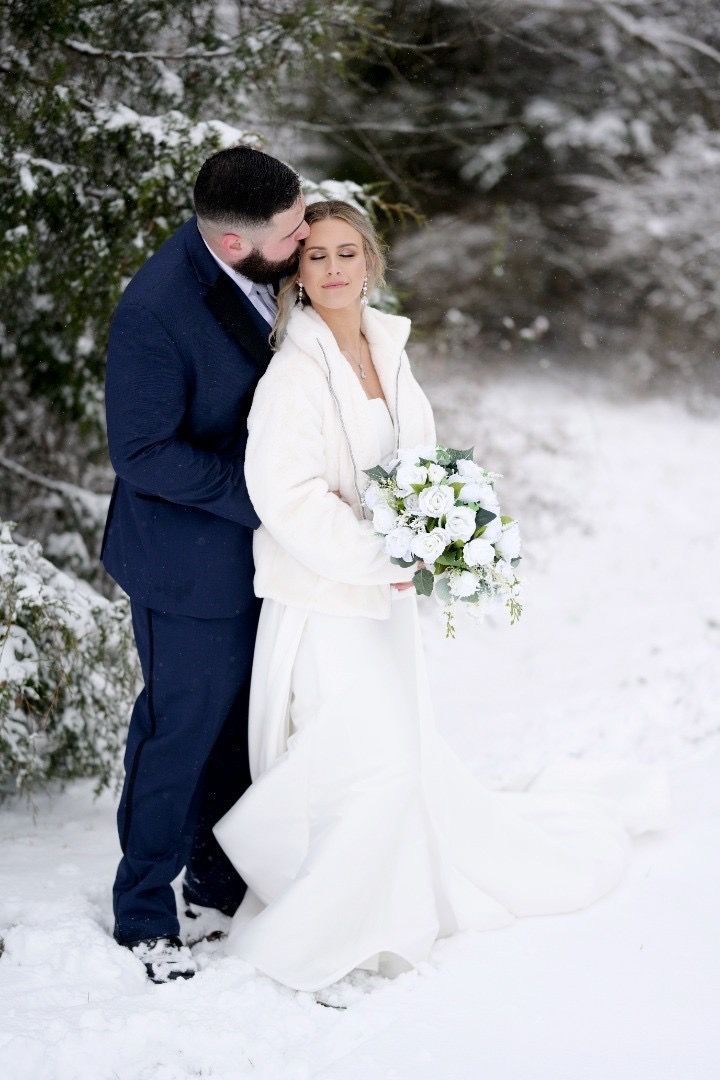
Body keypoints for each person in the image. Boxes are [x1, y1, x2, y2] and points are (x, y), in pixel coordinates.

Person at [211, 199, 669, 994]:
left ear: (371, 262)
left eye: (346, 253)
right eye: (314, 256)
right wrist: (380, 553)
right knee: (371, 764)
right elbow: (284, 499)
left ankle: (376, 905)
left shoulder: (391, 351)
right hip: (323, 602)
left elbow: (418, 460)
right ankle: (309, 941)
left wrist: (439, 532)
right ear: (297, 272)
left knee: (395, 753)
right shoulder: (292, 373)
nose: (331, 269)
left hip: (384, 602)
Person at [101, 145, 310, 983]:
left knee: (239, 731)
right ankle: (145, 908)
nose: (307, 236)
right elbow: (143, 451)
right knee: (179, 734)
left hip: (263, 560)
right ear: (233, 244)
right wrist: (267, 496)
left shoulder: (268, 266)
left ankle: (219, 882)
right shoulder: (157, 308)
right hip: (188, 566)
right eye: (293, 229)